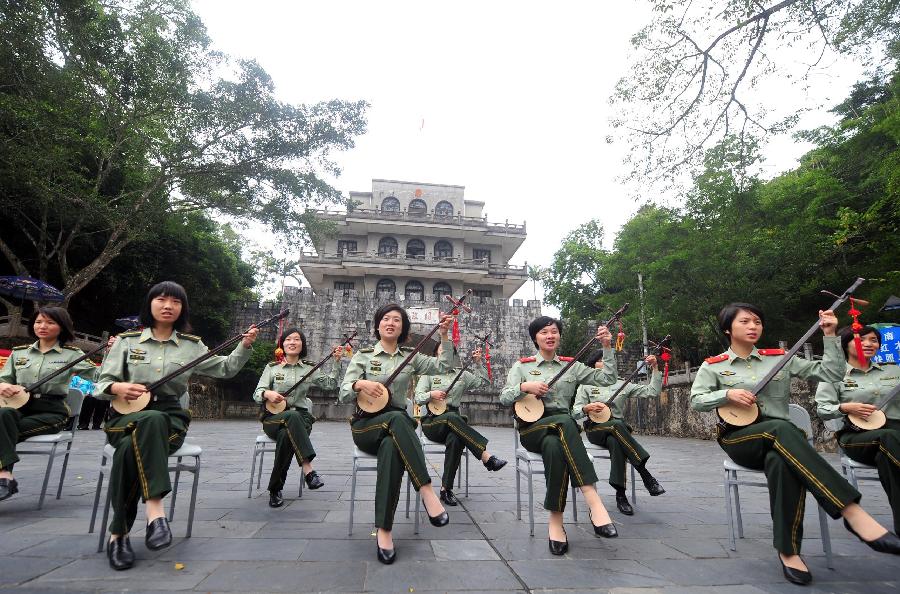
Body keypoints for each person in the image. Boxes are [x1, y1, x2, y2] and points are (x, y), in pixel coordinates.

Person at [691, 303, 900, 585]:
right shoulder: (713, 365)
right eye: (745, 322)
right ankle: (851, 511)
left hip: (782, 440)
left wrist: (829, 335)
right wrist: (726, 393)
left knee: (782, 461)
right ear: (728, 329)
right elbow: (696, 400)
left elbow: (832, 375)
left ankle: (789, 551)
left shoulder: (780, 359)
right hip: (740, 437)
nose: (753, 326)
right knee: (781, 429)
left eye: (757, 321)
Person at [94, 281, 258, 570]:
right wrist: (118, 387)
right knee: (144, 427)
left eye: (175, 302)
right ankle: (156, 514)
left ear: (182, 309)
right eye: (161, 299)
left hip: (170, 417)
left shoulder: (192, 346)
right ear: (150, 304)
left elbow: (225, 369)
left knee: (137, 440)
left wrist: (244, 347)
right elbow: (101, 385)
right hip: (124, 416)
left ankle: (117, 534)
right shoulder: (127, 341)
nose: (168, 305)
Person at [339, 303, 454, 564]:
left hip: (396, 431)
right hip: (366, 426)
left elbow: (444, 366)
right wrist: (360, 383)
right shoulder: (364, 356)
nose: (391, 323)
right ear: (378, 324)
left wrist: (445, 336)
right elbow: (343, 392)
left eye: (397, 320)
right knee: (398, 418)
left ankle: (384, 530)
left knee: (393, 446)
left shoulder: (411, 356)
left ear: (403, 328)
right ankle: (427, 491)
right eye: (386, 319)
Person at [500, 315, 620, 555]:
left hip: (561, 433)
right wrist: (525, 387)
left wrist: (607, 346)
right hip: (533, 428)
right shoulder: (522, 366)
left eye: (554, 331)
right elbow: (504, 398)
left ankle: (555, 522)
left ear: (559, 335)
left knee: (555, 446)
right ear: (535, 337)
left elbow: (608, 379)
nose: (550, 336)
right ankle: (593, 500)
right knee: (565, 421)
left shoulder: (571, 365)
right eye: (544, 332)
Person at [0, 307, 98, 500]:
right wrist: (3, 386)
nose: (42, 326)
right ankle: (4, 476)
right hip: (18, 407)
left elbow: (99, 375)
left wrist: (114, 356)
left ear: (62, 327)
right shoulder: (19, 353)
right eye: (38, 322)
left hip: (51, 412)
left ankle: (4, 477)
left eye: (50, 322)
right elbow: (4, 379)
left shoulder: (72, 354)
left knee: (3, 429)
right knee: (3, 416)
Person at [816, 325, 900, 534]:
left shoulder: (893, 370)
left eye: (873, 340)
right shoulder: (834, 374)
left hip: (894, 437)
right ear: (845, 344)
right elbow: (823, 409)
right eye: (861, 340)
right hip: (858, 436)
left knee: (887, 459)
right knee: (888, 438)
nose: (869, 344)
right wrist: (845, 407)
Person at [253, 327, 344, 507]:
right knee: (290, 418)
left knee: (287, 434)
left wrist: (337, 362)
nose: (292, 342)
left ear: (302, 345)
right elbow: (257, 393)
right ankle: (309, 470)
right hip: (274, 417)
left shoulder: (310, 369)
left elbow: (331, 385)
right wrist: (267, 394)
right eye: (288, 339)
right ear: (282, 344)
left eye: (296, 339)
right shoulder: (272, 368)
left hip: (302, 418)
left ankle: (275, 489)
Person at [572, 350, 665, 515]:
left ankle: (620, 496)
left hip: (618, 431)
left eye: (607, 361)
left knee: (616, 442)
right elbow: (575, 412)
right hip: (596, 428)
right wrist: (586, 408)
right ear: (593, 365)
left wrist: (656, 368)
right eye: (600, 360)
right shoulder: (586, 385)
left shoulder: (623, 384)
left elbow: (653, 391)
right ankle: (645, 473)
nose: (605, 363)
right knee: (616, 426)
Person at [414, 343, 507, 505]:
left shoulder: (462, 375)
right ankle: (486, 456)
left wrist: (478, 363)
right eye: (442, 352)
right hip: (433, 422)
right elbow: (418, 398)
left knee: (456, 438)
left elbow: (484, 382)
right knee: (453, 418)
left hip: (454, 422)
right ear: (436, 355)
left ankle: (445, 489)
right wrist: (432, 394)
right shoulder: (428, 374)